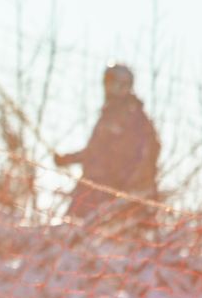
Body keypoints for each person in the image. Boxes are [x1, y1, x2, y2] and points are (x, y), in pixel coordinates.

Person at [55, 63, 160, 226]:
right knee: (72, 231)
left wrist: (127, 185)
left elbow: (143, 157)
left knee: (89, 236)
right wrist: (68, 159)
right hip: (92, 187)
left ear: (124, 85)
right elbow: (95, 152)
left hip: (112, 193)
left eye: (112, 83)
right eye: (106, 83)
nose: (108, 88)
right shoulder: (109, 114)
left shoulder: (133, 118)